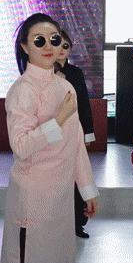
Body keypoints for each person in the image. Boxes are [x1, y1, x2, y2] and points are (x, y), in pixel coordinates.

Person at [0, 13, 99, 263]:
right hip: (32, 199)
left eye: (54, 39)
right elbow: (21, 146)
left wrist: (87, 189)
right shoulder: (22, 90)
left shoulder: (66, 85)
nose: (49, 46)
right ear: (24, 47)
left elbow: (77, 144)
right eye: (39, 40)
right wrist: (59, 118)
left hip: (59, 199)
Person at [53, 28, 96, 239]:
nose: (61, 50)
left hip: (74, 131)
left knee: (77, 176)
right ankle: (55, 223)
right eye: (57, 45)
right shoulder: (43, 73)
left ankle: (78, 223)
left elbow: (84, 104)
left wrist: (88, 133)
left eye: (66, 45)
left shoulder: (76, 73)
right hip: (51, 131)